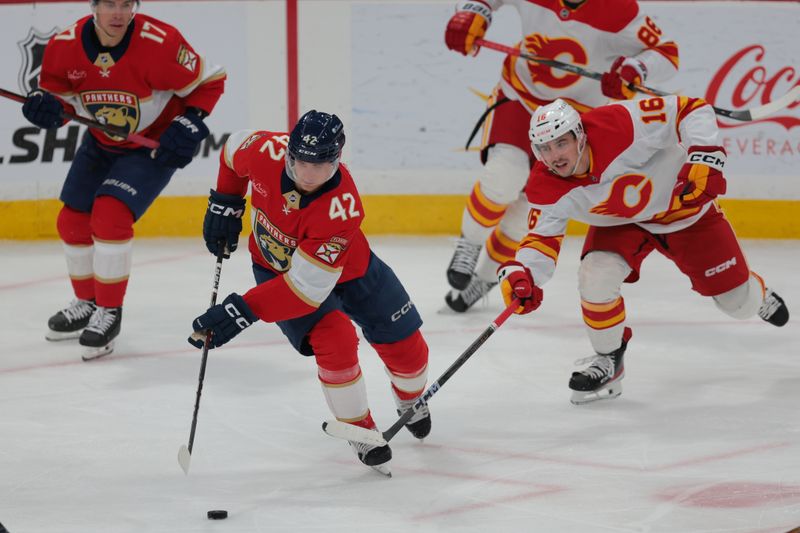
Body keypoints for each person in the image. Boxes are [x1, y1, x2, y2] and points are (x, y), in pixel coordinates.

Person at [497, 97, 790, 405]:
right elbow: (541, 240)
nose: (554, 156)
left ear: (579, 135)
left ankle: (756, 293)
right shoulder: (545, 184)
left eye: (560, 143)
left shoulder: (620, 123)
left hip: (684, 213)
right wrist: (523, 274)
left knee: (738, 304)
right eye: (544, 148)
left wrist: (705, 158)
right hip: (620, 223)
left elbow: (691, 109)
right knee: (595, 276)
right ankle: (609, 359)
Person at [187, 110, 432, 476]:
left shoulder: (341, 207)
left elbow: (304, 291)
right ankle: (358, 428)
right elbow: (231, 148)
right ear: (289, 151)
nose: (307, 174)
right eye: (300, 161)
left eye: (319, 165)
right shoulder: (265, 151)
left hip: (352, 272)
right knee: (335, 340)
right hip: (276, 272)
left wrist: (241, 311)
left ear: (337, 159)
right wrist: (226, 201)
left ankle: (411, 399)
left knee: (409, 353)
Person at [443, 0, 680, 312]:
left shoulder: (620, 9)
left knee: (530, 210)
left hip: (576, 121)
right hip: (521, 97)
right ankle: (469, 244)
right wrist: (476, 12)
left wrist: (635, 69)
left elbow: (667, 53)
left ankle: (487, 276)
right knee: (504, 177)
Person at [21, 0, 226, 360]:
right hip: (101, 143)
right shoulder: (64, 46)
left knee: (110, 215)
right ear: (94, 7)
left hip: (153, 146)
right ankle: (87, 302)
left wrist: (190, 121)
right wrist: (48, 109)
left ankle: (110, 312)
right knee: (71, 220)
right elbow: (61, 102)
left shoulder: (160, 42)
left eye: (125, 4)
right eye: (109, 4)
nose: (118, 13)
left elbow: (209, 82)